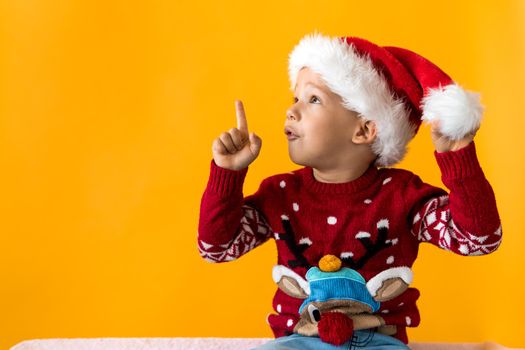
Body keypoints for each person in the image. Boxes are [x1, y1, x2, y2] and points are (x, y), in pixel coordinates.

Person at [197, 32, 502, 349]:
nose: (292, 111)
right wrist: (227, 174)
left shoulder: (402, 195)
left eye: (313, 99)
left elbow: (479, 239)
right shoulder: (281, 193)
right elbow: (216, 248)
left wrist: (458, 158)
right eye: (295, 99)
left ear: (365, 129)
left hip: (381, 342)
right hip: (299, 340)